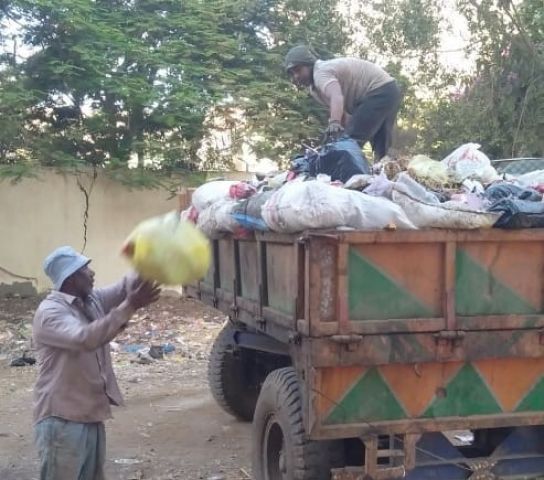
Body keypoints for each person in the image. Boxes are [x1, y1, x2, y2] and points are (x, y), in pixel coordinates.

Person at [32, 246, 161, 480]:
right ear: (70, 278)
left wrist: (158, 257)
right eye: (85, 269)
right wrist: (130, 305)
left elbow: (126, 287)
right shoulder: (50, 312)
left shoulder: (91, 300)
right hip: (62, 420)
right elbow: (85, 338)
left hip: (90, 416)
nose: (92, 273)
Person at [284, 45, 402, 160]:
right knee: (380, 145)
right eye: (292, 73)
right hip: (389, 90)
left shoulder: (320, 73)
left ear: (309, 65)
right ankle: (385, 173)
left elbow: (336, 96)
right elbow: (344, 115)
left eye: (298, 70)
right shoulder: (315, 88)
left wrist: (334, 123)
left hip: (379, 91)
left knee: (348, 143)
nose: (296, 76)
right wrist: (339, 132)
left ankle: (336, 175)